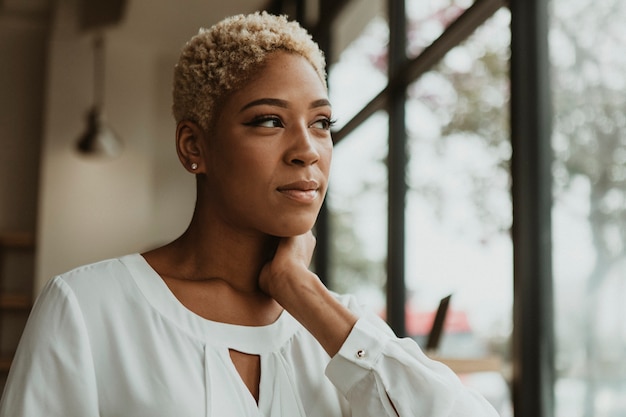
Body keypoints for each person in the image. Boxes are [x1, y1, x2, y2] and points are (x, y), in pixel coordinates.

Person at [0, 11, 500, 417]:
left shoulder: (332, 323)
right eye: (269, 120)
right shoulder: (88, 307)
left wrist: (299, 289)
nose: (308, 150)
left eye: (322, 123)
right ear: (194, 146)